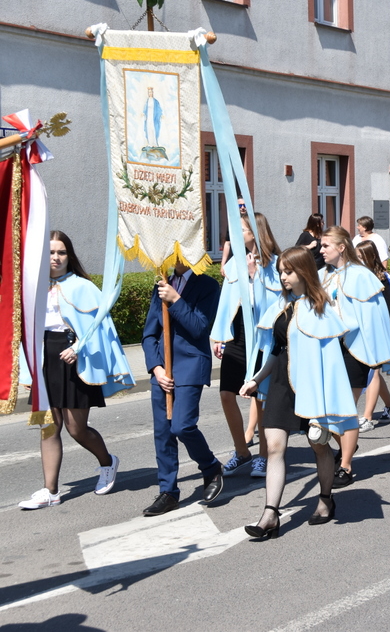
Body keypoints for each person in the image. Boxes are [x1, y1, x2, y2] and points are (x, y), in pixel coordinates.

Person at [239, 247, 357, 538]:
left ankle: (326, 499)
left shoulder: (320, 307)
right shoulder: (281, 304)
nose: (283, 276)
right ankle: (270, 514)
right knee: (275, 447)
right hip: (280, 382)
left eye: (288, 271)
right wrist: (256, 379)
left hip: (311, 385)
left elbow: (330, 361)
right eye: (281, 271)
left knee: (318, 444)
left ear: (303, 271)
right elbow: (276, 349)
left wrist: (327, 401)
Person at [18, 232, 135, 510]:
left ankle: (108, 462)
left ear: (69, 256)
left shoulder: (84, 287)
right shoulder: (33, 286)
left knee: (75, 428)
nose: (55, 258)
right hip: (45, 357)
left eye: (61, 252)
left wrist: (79, 347)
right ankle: (51, 491)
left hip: (76, 358)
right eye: (50, 253)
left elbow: (101, 328)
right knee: (48, 425)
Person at [141, 260, 224, 516]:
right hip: (162, 369)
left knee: (182, 426)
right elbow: (149, 334)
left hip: (190, 364)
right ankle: (168, 491)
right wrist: (156, 367)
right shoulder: (162, 284)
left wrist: (175, 298)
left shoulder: (207, 285)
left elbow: (199, 327)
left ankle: (210, 467)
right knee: (163, 432)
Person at [320, 226, 390, 486]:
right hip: (327, 349)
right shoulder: (321, 275)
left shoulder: (362, 275)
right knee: (321, 413)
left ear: (341, 247)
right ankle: (346, 446)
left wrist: (378, 353)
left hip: (354, 351)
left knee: (342, 410)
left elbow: (376, 319)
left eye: (325, 246)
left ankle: (345, 465)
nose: (320, 251)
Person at [211, 212, 282, 480]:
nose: (235, 235)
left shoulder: (275, 266)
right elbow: (225, 303)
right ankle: (242, 451)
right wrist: (219, 337)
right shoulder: (233, 265)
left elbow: (269, 307)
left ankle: (264, 455)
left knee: (259, 398)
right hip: (238, 336)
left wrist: (255, 277)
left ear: (255, 231)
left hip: (263, 338)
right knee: (227, 394)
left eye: (240, 229)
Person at [355, 239, 390, 426]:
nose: (356, 260)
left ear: (370, 257)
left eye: (360, 257)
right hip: (363, 331)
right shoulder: (356, 277)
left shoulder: (383, 279)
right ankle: (389, 405)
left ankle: (367, 417)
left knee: (373, 371)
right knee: (372, 372)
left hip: (380, 331)